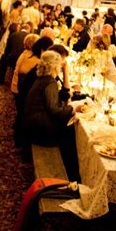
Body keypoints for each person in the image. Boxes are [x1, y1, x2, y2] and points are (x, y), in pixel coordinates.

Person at [22, 51, 82, 179]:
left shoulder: (44, 79)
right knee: (70, 134)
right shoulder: (50, 83)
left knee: (69, 129)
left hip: (33, 123)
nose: (61, 66)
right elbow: (55, 111)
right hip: (39, 128)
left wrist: (66, 72)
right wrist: (73, 107)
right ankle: (72, 175)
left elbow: (63, 95)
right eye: (60, 65)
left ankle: (73, 172)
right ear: (54, 66)